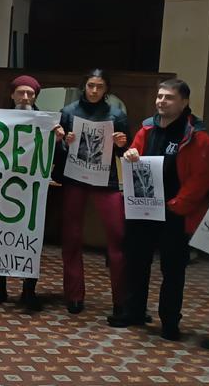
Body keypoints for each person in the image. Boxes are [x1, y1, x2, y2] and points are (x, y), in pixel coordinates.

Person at [109, 79, 209, 340]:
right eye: (159, 96)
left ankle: (170, 322)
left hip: (175, 212)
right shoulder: (147, 127)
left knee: (173, 269)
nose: (161, 101)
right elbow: (135, 153)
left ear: (184, 102)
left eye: (168, 97)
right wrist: (131, 153)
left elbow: (202, 179)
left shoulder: (197, 135)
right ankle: (134, 311)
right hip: (144, 208)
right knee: (136, 262)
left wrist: (176, 206)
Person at [0, 75, 64, 311]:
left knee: (31, 239)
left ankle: (29, 290)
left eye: (30, 94)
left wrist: (58, 141)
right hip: (2, 188)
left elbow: (57, 159)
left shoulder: (47, 123)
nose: (26, 97)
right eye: (21, 93)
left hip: (32, 191)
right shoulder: (0, 119)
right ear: (12, 95)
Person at [56, 69, 129, 315]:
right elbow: (60, 151)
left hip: (105, 179)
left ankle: (121, 299)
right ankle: (74, 295)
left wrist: (123, 144)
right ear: (84, 86)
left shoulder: (116, 115)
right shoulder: (69, 112)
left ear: (106, 88)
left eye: (99, 86)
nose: (94, 90)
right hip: (75, 177)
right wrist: (64, 142)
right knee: (71, 237)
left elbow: (124, 152)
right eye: (90, 85)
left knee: (117, 236)